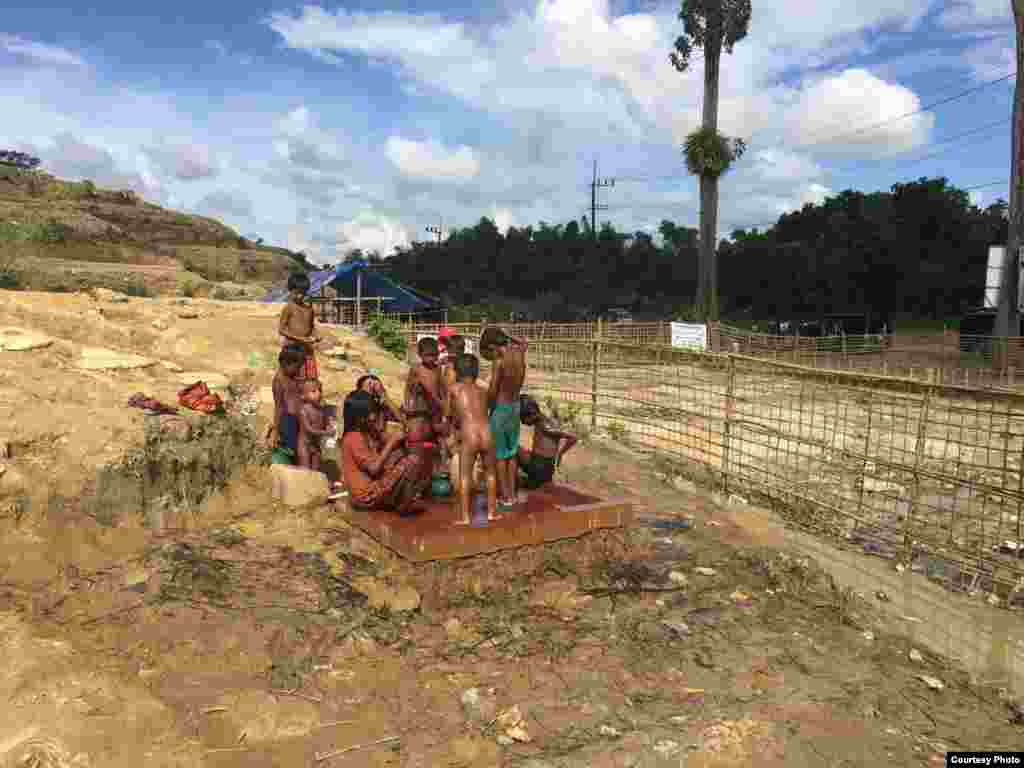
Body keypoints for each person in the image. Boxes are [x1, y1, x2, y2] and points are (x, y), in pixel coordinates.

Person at [340, 390, 431, 515]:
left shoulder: (368, 431)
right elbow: (374, 468)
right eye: (369, 413)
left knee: (401, 453)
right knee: (412, 461)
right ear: (358, 417)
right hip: (365, 496)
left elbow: (401, 434)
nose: (373, 416)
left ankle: (399, 500)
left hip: (374, 487)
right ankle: (402, 505)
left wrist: (403, 436)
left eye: (374, 411)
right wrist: (392, 442)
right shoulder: (354, 438)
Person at [447, 353, 499, 524]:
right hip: (487, 433)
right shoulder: (483, 391)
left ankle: (465, 517)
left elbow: (448, 414)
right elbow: (488, 408)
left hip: (469, 434)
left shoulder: (454, 389)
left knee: (464, 476)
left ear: (457, 371)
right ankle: (492, 513)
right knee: (491, 473)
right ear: (476, 372)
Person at [479, 326, 527, 509]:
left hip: (501, 409)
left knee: (499, 455)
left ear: (492, 346)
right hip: (515, 407)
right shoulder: (519, 354)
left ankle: (505, 497)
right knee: (511, 453)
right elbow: (523, 342)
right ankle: (513, 495)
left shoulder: (499, 362)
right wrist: (507, 334)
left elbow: (493, 391)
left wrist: (485, 406)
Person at [517, 395, 577, 490]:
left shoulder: (545, 424)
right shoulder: (543, 420)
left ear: (531, 414)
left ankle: (513, 482)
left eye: (522, 418)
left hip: (539, 467)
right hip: (546, 467)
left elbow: (573, 437)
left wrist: (560, 454)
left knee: (513, 449)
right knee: (522, 451)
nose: (522, 422)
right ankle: (529, 481)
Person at [403, 336, 447, 456]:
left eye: (433, 355)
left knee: (438, 434)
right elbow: (408, 387)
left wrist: (444, 403)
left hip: (435, 407)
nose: (431, 359)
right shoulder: (416, 369)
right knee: (420, 432)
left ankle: (440, 458)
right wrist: (407, 403)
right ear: (420, 354)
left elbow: (442, 386)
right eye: (427, 355)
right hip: (420, 406)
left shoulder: (437, 368)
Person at [278, 272, 321, 380]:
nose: (300, 296)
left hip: (307, 349)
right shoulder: (289, 308)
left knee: (309, 376)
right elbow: (282, 329)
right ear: (290, 291)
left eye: (303, 293)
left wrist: (316, 335)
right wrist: (301, 339)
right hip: (291, 349)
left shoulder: (309, 310)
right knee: (290, 376)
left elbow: (311, 327)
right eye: (296, 293)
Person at [268, 344, 305, 460]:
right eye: (297, 366)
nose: (300, 369)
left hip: (299, 419)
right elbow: (279, 407)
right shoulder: (279, 381)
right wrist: (275, 430)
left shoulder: (293, 377)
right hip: (288, 421)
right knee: (293, 451)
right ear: (286, 363)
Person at [297, 379, 331, 472]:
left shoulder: (321, 410)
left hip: (315, 445)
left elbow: (324, 424)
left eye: (320, 390)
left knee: (315, 471)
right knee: (305, 470)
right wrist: (325, 432)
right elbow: (309, 429)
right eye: (313, 391)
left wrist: (328, 426)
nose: (318, 393)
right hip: (304, 445)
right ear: (303, 396)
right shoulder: (303, 410)